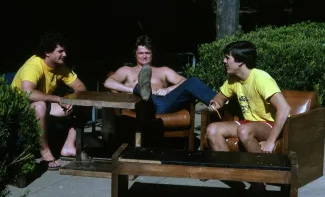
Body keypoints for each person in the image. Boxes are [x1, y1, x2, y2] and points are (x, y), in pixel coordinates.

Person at [206, 41, 291, 193]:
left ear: (240, 61)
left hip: (270, 123)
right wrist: (216, 103)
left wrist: (271, 141)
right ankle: (233, 177)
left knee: (244, 131)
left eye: (227, 58)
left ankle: (259, 180)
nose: (224, 61)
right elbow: (220, 97)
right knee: (212, 129)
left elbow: (284, 108)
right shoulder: (233, 79)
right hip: (249, 122)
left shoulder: (261, 78)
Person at [11, 31, 87, 170]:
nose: (65, 54)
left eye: (65, 51)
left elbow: (80, 86)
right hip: (20, 108)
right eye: (60, 51)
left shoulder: (60, 67)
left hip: (44, 105)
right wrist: (59, 99)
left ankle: (69, 147)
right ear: (47, 52)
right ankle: (45, 153)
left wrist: (72, 99)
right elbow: (28, 93)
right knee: (39, 106)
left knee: (83, 104)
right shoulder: (34, 65)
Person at [103, 35, 217, 115]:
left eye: (147, 53)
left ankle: (220, 101)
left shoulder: (163, 70)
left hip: (163, 104)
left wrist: (168, 90)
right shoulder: (126, 70)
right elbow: (108, 82)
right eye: (141, 53)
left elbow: (184, 81)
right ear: (135, 55)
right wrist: (132, 90)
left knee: (192, 81)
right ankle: (141, 89)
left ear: (152, 54)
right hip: (141, 105)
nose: (144, 56)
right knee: (141, 90)